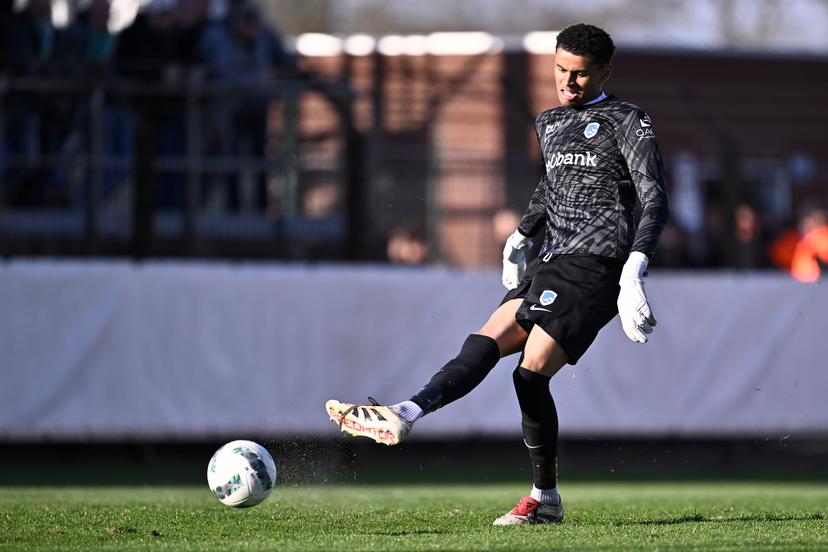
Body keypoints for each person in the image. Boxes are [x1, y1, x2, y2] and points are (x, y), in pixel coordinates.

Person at [325, 23, 669, 526]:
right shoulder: (549, 122)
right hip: (550, 262)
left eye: (580, 75)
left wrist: (635, 268)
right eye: (560, 71)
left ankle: (528, 487)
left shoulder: (627, 121)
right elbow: (550, 185)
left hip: (596, 265)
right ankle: (410, 415)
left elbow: (654, 198)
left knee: (529, 368)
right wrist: (523, 233)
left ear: (604, 73)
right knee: (501, 354)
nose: (567, 84)